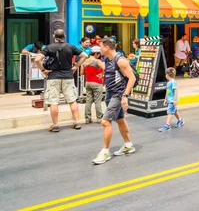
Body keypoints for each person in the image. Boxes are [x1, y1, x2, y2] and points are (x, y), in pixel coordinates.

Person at [92, 37, 136, 165]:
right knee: (119, 119)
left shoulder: (121, 60)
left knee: (105, 121)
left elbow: (132, 78)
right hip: (110, 93)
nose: (99, 48)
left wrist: (125, 96)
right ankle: (128, 145)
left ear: (107, 48)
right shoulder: (107, 58)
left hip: (118, 94)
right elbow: (109, 70)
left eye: (100, 46)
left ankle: (105, 152)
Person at [34, 29, 88, 132]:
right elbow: (85, 56)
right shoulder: (70, 46)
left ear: (54, 36)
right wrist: (76, 66)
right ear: (65, 36)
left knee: (54, 102)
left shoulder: (49, 47)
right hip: (68, 76)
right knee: (72, 100)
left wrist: (43, 70)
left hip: (53, 76)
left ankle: (55, 125)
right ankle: (76, 122)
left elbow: (37, 59)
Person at [159, 67, 185, 132]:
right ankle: (180, 120)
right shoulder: (169, 83)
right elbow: (168, 92)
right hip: (170, 100)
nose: (165, 76)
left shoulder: (173, 82)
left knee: (170, 112)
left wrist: (175, 100)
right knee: (175, 111)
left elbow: (175, 91)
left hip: (172, 101)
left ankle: (167, 125)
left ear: (167, 75)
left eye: (165, 74)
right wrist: (165, 99)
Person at [84, 46, 104, 124]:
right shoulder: (97, 61)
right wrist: (102, 74)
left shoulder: (85, 61)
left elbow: (82, 72)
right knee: (97, 100)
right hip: (97, 82)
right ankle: (99, 118)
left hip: (88, 82)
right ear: (96, 53)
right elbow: (105, 68)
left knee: (88, 100)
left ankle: (87, 118)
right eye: (99, 54)